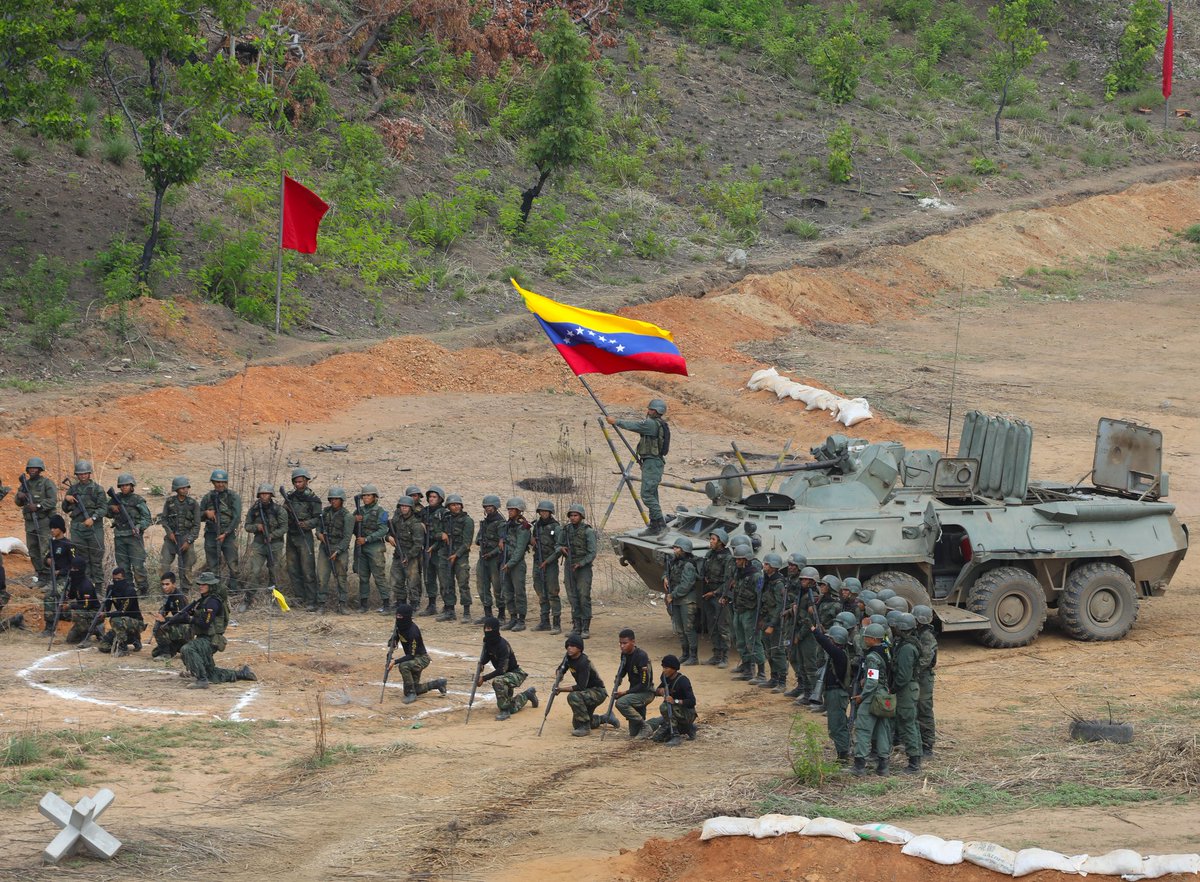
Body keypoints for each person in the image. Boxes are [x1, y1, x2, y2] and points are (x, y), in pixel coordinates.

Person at [167, 571, 256, 688]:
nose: (201, 586)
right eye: (200, 584)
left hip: (210, 640)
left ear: (211, 586)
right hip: (204, 638)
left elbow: (205, 624)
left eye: (205, 584)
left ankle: (202, 680)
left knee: (187, 649)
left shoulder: (213, 602)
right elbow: (201, 616)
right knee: (211, 673)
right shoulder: (205, 600)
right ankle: (242, 674)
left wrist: (189, 619)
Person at [607, 399, 670, 536]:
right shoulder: (657, 424)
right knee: (652, 494)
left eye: (651, 410)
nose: (648, 411)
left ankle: (661, 525)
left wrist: (616, 421)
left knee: (647, 495)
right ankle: (654, 526)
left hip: (653, 463)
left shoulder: (651, 424)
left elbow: (633, 425)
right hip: (651, 462)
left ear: (657, 412)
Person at [852, 622, 893, 777]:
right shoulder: (886, 650)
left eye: (867, 637)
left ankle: (859, 766)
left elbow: (872, 681)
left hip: (872, 696)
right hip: (884, 695)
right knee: (882, 729)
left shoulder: (872, 657)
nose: (865, 639)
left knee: (863, 729)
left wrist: (862, 697)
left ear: (873, 639)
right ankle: (883, 766)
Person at [476, 616, 538, 720]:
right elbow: (487, 656)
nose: (487, 631)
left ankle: (505, 711)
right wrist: (482, 663)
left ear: (495, 629)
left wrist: (483, 678)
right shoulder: (487, 642)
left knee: (498, 682)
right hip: (506, 676)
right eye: (485, 628)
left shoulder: (503, 645)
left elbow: (501, 670)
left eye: (489, 629)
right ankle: (528, 694)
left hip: (515, 674)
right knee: (512, 707)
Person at [387, 603, 447, 704]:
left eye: (400, 616)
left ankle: (412, 694)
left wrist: (395, 661)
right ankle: (437, 684)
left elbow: (411, 655)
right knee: (413, 688)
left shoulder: (413, 631)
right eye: (397, 616)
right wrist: (392, 644)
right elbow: (396, 636)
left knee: (403, 666)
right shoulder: (399, 625)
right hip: (413, 659)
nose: (398, 618)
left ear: (406, 617)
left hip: (421, 659)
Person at [284, 468, 323, 612]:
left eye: (300, 481)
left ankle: (312, 600)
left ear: (306, 481)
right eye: (296, 482)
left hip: (304, 535)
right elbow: (283, 514)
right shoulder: (289, 497)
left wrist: (306, 524)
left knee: (308, 569)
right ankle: (299, 597)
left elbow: (318, 518)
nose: (298, 484)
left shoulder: (313, 498)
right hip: (291, 534)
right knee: (293, 568)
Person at [62, 460, 107, 587]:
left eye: (85, 473)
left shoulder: (97, 489)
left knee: (96, 557)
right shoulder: (72, 489)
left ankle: (98, 585)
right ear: (77, 475)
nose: (82, 476)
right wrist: (67, 499)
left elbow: (104, 508)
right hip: (78, 528)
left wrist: (93, 518)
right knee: (81, 558)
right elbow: (65, 509)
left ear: (89, 474)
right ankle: (84, 585)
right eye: (80, 474)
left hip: (94, 528)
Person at [812, 622, 852, 762]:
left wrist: (816, 632)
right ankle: (844, 750)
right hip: (833, 694)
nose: (829, 641)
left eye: (831, 639)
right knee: (837, 724)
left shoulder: (839, 654)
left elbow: (826, 646)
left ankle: (843, 755)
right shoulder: (836, 655)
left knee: (837, 726)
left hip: (836, 694)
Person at [558, 633, 612, 737]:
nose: (569, 648)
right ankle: (604, 718)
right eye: (568, 646)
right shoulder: (568, 657)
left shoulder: (583, 662)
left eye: (572, 646)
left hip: (597, 692)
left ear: (579, 648)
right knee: (576, 724)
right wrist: (558, 674)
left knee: (573, 696)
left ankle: (585, 728)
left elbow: (580, 687)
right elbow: (561, 669)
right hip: (586, 693)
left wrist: (561, 689)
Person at [106, 473, 152, 596]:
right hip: (120, 536)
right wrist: (111, 508)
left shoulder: (137, 500)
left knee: (138, 566)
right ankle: (129, 590)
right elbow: (106, 512)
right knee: (123, 566)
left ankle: (143, 589)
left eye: (127, 485)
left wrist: (138, 527)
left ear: (132, 486)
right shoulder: (115, 499)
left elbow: (147, 518)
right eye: (122, 485)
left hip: (134, 538)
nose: (124, 488)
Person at [243, 484, 286, 610]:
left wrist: (272, 535)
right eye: (262, 494)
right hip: (259, 544)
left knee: (274, 572)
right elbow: (247, 526)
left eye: (266, 494)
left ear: (271, 495)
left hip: (275, 545)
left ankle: (275, 599)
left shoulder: (279, 510)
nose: (264, 496)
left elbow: (284, 528)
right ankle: (248, 599)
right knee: (254, 572)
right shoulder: (254, 510)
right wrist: (257, 527)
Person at [15, 456, 57, 584]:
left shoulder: (46, 483)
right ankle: (40, 575)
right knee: (32, 550)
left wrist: (38, 506)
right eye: (30, 468)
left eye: (35, 468)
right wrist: (20, 496)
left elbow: (52, 501)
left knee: (45, 549)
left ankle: (49, 577)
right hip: (30, 523)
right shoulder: (24, 485)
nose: (32, 470)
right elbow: (18, 503)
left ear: (40, 469)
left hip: (43, 522)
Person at [558, 503, 596, 638]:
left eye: (576, 515)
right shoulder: (566, 530)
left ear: (581, 516)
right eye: (571, 515)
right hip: (569, 565)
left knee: (583, 596)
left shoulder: (588, 531)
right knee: (572, 597)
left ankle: (585, 627)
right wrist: (561, 549)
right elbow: (558, 544)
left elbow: (592, 553)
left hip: (583, 568)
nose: (573, 518)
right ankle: (576, 626)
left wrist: (581, 563)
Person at [891, 612, 924, 774]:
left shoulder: (906, 648)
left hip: (905, 690)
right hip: (910, 689)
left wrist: (893, 688)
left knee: (907, 724)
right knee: (912, 723)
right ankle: (917, 756)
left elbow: (903, 675)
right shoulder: (910, 643)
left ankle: (914, 763)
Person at [727, 545, 764, 682]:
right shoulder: (739, 574)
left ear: (746, 560)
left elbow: (761, 598)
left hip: (751, 613)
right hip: (739, 611)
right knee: (740, 641)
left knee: (753, 643)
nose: (736, 562)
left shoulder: (757, 576)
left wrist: (760, 617)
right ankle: (747, 668)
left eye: (739, 559)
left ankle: (761, 673)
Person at [785, 561, 821, 704]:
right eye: (802, 579)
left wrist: (799, 636)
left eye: (806, 580)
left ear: (813, 581)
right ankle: (805, 691)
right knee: (800, 663)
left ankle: (813, 694)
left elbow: (810, 621)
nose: (803, 582)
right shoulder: (802, 593)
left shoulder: (814, 597)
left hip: (808, 635)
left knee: (809, 665)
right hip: (799, 631)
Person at [200, 469, 241, 591]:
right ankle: (215, 590)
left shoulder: (233, 496)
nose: (220, 484)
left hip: (228, 535)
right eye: (217, 482)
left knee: (233, 564)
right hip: (211, 535)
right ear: (213, 482)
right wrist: (206, 513)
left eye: (223, 482)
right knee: (213, 565)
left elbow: (236, 517)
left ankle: (233, 589)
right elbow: (197, 516)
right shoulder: (207, 497)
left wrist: (226, 533)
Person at [642, 656, 697, 746]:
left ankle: (676, 735)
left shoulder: (683, 681)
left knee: (664, 707)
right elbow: (657, 690)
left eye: (666, 668)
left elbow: (692, 702)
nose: (664, 670)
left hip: (687, 713)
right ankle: (688, 728)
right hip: (673, 713)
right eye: (663, 667)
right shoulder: (665, 677)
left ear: (674, 669)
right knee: (657, 738)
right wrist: (660, 691)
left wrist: (675, 701)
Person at [317, 487, 355, 614]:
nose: (333, 501)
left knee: (341, 578)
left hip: (340, 549)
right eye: (331, 499)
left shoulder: (348, 516)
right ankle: (321, 604)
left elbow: (347, 537)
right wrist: (319, 534)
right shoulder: (325, 512)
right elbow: (318, 527)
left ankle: (342, 604)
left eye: (336, 499)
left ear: (341, 500)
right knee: (322, 576)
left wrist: (337, 551)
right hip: (325, 547)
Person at [700, 529, 734, 668]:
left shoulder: (727, 558)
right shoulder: (709, 554)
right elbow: (703, 571)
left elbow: (729, 581)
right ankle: (716, 655)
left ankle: (725, 657)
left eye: (713, 539)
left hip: (720, 596)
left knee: (723, 626)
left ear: (721, 542)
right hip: (708, 594)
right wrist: (705, 578)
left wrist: (715, 593)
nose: (711, 541)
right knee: (712, 626)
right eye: (711, 539)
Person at [353, 484, 389, 614]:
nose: (366, 498)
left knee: (379, 576)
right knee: (363, 576)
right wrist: (354, 521)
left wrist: (367, 539)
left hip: (374, 547)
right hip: (361, 547)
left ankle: (386, 604)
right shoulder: (358, 511)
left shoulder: (381, 511)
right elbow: (351, 529)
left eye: (369, 495)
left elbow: (383, 530)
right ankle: (363, 604)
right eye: (364, 496)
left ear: (374, 497)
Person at [613, 628, 655, 737]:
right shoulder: (624, 655)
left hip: (645, 692)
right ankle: (655, 723)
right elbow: (622, 670)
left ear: (633, 642)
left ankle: (645, 726)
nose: (622, 646)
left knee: (621, 703)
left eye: (625, 643)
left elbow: (644, 684)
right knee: (634, 733)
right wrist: (618, 678)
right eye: (620, 643)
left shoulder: (641, 656)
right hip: (634, 693)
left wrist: (625, 693)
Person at [161, 476, 200, 593]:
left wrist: (189, 541)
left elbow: (197, 525)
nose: (185, 490)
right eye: (182, 488)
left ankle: (185, 589)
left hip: (186, 537)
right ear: (176, 489)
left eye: (186, 487)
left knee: (186, 567)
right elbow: (164, 520)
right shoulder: (169, 502)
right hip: (171, 539)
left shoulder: (193, 504)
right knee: (164, 565)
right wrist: (169, 533)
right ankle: (165, 589)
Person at [754, 553, 788, 690]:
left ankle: (782, 681)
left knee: (777, 651)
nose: (764, 566)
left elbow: (780, 606)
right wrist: (761, 620)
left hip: (776, 623)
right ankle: (773, 678)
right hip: (766, 620)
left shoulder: (779, 583)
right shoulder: (766, 580)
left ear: (774, 567)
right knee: (768, 650)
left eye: (767, 564)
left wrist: (772, 625)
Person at [665, 537, 700, 666]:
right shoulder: (674, 562)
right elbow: (667, 572)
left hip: (686, 600)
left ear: (684, 550)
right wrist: (665, 577)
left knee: (688, 628)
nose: (674, 550)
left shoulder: (689, 565)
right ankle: (685, 654)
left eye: (677, 548)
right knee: (680, 629)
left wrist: (672, 595)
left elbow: (686, 585)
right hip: (676, 600)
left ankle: (693, 656)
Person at [387, 494, 424, 612]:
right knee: (396, 579)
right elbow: (388, 532)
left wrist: (408, 556)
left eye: (406, 506)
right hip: (398, 554)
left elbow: (418, 544)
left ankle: (414, 603)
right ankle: (400, 602)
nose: (404, 508)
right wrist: (388, 537)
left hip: (411, 556)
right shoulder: (396, 521)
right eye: (402, 506)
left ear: (411, 508)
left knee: (413, 580)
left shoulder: (416, 524)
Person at [441, 494, 474, 622]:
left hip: (461, 556)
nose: (456, 507)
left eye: (458, 504)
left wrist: (457, 555)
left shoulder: (467, 521)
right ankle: (450, 610)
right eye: (453, 505)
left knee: (463, 583)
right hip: (446, 554)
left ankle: (466, 612)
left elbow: (467, 542)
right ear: (448, 507)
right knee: (447, 583)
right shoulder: (446, 519)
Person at [499, 497, 530, 632]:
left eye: (513, 509)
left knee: (519, 592)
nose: (510, 511)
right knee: (508, 591)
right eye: (509, 509)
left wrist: (510, 564)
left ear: (519, 511)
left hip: (516, 564)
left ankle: (521, 620)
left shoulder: (523, 527)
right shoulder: (507, 525)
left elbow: (520, 549)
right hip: (506, 561)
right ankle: (512, 617)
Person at [97, 567, 145, 655]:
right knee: (103, 646)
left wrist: (107, 614)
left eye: (119, 579)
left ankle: (123, 648)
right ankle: (132, 639)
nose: (116, 581)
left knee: (115, 620)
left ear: (124, 578)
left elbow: (123, 611)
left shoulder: (130, 591)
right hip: (121, 624)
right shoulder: (111, 589)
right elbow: (107, 607)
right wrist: (102, 612)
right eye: (114, 579)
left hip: (136, 622)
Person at [531, 500, 561, 632]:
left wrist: (547, 561)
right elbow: (533, 542)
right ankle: (544, 621)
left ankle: (556, 623)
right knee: (540, 591)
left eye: (546, 511)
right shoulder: (537, 526)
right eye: (541, 511)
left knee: (552, 592)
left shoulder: (556, 527)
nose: (543, 513)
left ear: (550, 512)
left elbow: (559, 548)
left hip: (550, 563)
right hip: (538, 561)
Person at [419, 486, 450, 617]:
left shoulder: (444, 513)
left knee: (443, 579)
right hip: (426, 548)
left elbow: (446, 534)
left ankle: (448, 606)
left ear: (440, 499)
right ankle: (431, 605)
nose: (431, 499)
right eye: (430, 497)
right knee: (428, 577)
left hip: (440, 550)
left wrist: (434, 546)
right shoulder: (424, 511)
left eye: (434, 497)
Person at [473, 495, 504, 625]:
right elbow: (477, 540)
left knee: (497, 587)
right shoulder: (484, 522)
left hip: (495, 559)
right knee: (482, 585)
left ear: (496, 507)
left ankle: (501, 615)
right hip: (483, 557)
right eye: (486, 507)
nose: (488, 509)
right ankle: (488, 614)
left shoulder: (501, 523)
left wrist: (491, 553)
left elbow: (502, 544)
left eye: (490, 506)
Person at [913, 604, 938, 757]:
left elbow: (925, 660)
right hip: (918, 676)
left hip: (923, 677)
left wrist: (911, 671)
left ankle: (928, 744)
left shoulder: (927, 637)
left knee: (924, 709)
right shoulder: (917, 633)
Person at [42, 514, 75, 633]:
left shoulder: (69, 545)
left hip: (66, 579)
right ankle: (63, 616)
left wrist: (61, 571)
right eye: (51, 528)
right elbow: (45, 559)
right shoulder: (52, 543)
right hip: (55, 578)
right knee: (51, 597)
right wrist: (47, 561)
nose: (52, 530)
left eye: (54, 528)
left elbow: (74, 564)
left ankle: (50, 628)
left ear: (60, 529)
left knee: (50, 597)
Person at [152, 572, 191, 658]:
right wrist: (160, 614)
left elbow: (184, 617)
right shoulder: (170, 596)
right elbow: (166, 609)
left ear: (173, 584)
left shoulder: (178, 597)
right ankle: (174, 647)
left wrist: (165, 620)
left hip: (186, 628)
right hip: (178, 625)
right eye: (163, 584)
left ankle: (166, 654)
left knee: (160, 628)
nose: (164, 587)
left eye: (167, 584)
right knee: (154, 653)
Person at [62, 559, 101, 644]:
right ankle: (91, 629)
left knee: (76, 614)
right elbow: (72, 595)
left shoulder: (86, 585)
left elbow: (86, 606)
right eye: (71, 568)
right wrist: (64, 598)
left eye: (74, 569)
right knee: (71, 640)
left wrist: (70, 606)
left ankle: (88, 635)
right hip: (83, 611)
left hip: (93, 611)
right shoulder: (74, 581)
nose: (72, 571)